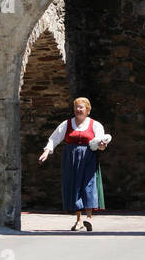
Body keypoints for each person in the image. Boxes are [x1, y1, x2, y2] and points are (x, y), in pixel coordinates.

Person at [39, 96, 111, 231]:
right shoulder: (66, 124)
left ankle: (89, 218)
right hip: (71, 158)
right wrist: (46, 152)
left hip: (89, 157)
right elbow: (54, 139)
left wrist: (102, 145)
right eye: (76, 107)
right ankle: (78, 220)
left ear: (88, 110)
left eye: (81, 107)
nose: (78, 109)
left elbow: (101, 144)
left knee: (88, 185)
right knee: (75, 185)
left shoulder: (95, 125)